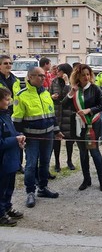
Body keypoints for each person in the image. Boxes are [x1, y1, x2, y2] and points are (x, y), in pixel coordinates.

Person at [12, 67, 63, 208]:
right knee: (30, 165)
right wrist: (20, 136)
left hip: (48, 135)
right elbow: (16, 120)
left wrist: (57, 130)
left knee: (45, 163)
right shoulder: (21, 95)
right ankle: (30, 192)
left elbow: (51, 115)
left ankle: (43, 188)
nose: (43, 78)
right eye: (40, 75)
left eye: (44, 75)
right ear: (30, 77)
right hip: (32, 137)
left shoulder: (46, 93)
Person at [62, 64, 102, 192]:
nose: (86, 77)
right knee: (82, 153)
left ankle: (101, 179)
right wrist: (71, 92)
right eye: (83, 75)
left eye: (88, 74)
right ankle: (86, 179)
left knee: (94, 152)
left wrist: (89, 110)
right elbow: (64, 104)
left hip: (92, 124)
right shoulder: (74, 90)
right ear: (78, 76)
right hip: (77, 125)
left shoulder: (95, 89)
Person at [0, 87, 26, 227]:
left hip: (11, 158)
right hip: (2, 160)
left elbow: (12, 132)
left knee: (10, 186)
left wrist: (19, 136)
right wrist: (15, 140)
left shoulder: (6, 114)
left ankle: (7, 207)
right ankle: (0, 214)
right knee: (2, 187)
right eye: (6, 99)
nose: (9, 101)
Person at [49, 63, 75, 171]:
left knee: (69, 140)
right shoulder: (54, 82)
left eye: (59, 70)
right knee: (56, 140)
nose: (57, 72)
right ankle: (57, 162)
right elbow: (49, 94)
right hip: (57, 113)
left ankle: (69, 161)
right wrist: (52, 96)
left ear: (65, 72)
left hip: (68, 113)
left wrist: (67, 83)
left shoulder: (72, 82)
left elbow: (68, 96)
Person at [0, 55, 24, 174]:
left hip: (14, 114)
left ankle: (18, 165)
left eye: (10, 63)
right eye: (5, 63)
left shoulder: (16, 79)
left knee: (17, 138)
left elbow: (16, 97)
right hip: (2, 113)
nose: (8, 65)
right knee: (5, 139)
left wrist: (15, 106)